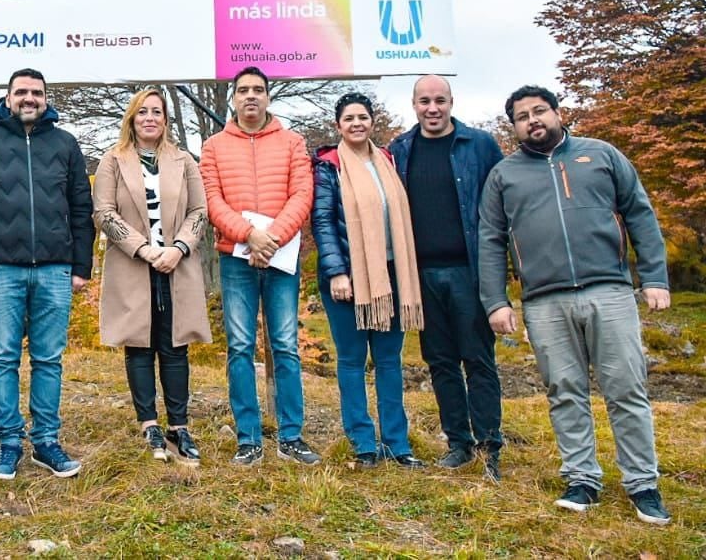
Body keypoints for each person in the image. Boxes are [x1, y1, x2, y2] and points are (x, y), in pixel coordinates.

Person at [479, 86, 672, 525]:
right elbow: (489, 239)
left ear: (556, 113)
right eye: (522, 116)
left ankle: (643, 483)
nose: (533, 120)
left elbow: (639, 213)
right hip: (544, 300)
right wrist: (496, 301)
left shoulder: (601, 155)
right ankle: (581, 479)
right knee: (564, 391)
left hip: (610, 290)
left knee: (626, 388)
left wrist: (655, 277)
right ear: (513, 127)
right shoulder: (503, 175)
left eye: (539, 111)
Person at [0, 68, 94, 480]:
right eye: (21, 92)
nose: (29, 98)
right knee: (3, 359)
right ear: (8, 98)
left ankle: (46, 441)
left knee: (49, 359)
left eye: (37, 92)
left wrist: (80, 266)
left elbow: (81, 209)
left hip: (55, 268)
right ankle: (9, 443)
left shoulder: (65, 143)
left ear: (46, 98)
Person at [388, 75, 505, 479]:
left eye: (439, 100)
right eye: (424, 101)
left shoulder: (480, 145)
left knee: (478, 358)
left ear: (452, 101)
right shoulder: (400, 149)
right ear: (414, 104)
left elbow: (502, 204)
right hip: (420, 275)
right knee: (439, 361)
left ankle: (491, 443)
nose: (432, 108)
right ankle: (459, 442)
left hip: (469, 273)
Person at [200, 67, 316, 466]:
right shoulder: (214, 146)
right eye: (243, 90)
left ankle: (291, 436)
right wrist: (249, 236)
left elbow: (302, 194)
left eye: (258, 90)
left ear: (268, 97)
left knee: (285, 346)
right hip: (237, 258)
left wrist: (273, 240)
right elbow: (212, 200)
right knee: (239, 347)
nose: (251, 96)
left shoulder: (292, 142)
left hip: (281, 257)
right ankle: (248, 438)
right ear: (233, 98)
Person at [94, 89, 210, 465]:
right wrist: (143, 248)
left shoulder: (184, 161)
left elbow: (199, 211)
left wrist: (177, 248)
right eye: (142, 112)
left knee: (175, 347)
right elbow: (104, 213)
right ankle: (149, 424)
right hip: (133, 264)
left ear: (165, 119)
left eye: (156, 112)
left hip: (176, 265)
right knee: (140, 346)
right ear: (132, 118)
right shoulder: (113, 160)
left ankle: (179, 427)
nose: (149, 118)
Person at [312, 93, 426, 469]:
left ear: (372, 121)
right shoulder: (329, 166)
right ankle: (362, 441)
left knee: (389, 360)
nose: (357, 123)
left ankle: (397, 442)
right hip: (348, 277)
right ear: (338, 125)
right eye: (349, 118)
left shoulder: (389, 161)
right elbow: (324, 221)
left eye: (363, 117)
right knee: (351, 359)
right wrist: (337, 272)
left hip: (392, 275)